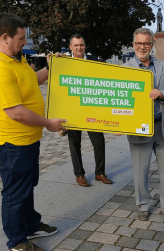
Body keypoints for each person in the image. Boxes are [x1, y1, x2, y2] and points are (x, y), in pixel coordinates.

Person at [0, 13, 67, 251]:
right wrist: (49, 123)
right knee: (16, 191)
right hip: (9, 142)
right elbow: (16, 112)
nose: (24, 43)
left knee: (27, 185)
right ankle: (17, 241)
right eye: (20, 39)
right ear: (5, 37)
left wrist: (52, 68)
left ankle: (30, 226)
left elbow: (33, 81)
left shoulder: (15, 59)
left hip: (25, 139)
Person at [123, 28, 164, 224]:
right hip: (139, 128)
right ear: (133, 45)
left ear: (151, 45)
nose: (142, 47)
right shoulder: (125, 70)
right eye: (139, 43)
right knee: (140, 171)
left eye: (146, 43)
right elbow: (119, 99)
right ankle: (143, 205)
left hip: (163, 126)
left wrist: (162, 94)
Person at [66, 34, 112, 187]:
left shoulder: (95, 61)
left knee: (99, 142)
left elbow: (108, 79)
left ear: (84, 46)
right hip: (72, 110)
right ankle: (79, 174)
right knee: (74, 143)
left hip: (92, 109)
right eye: (76, 45)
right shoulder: (63, 62)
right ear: (70, 47)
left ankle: (100, 172)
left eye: (81, 45)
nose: (79, 48)